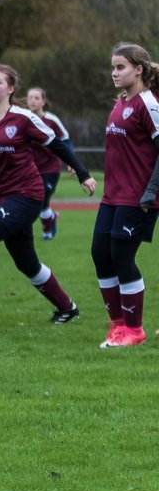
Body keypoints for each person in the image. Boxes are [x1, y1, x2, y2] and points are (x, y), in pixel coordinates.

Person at [0, 65, 95, 326]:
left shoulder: (23, 118)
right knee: (27, 263)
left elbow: (57, 144)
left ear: (11, 89)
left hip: (28, 194)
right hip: (4, 197)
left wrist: (83, 173)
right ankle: (68, 308)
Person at [93, 43, 159, 347]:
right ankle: (117, 328)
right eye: (113, 67)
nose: (114, 73)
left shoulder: (148, 104)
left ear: (138, 69)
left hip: (138, 197)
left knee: (122, 257)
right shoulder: (120, 102)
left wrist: (152, 190)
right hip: (112, 196)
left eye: (120, 67)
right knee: (100, 254)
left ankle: (134, 330)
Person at [26, 87, 72, 240]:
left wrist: (70, 161)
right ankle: (50, 219)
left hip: (51, 167)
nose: (32, 100)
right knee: (35, 200)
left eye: (36, 98)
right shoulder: (23, 119)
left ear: (43, 102)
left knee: (43, 196)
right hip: (31, 168)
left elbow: (65, 140)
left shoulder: (51, 120)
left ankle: (48, 224)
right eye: (30, 97)